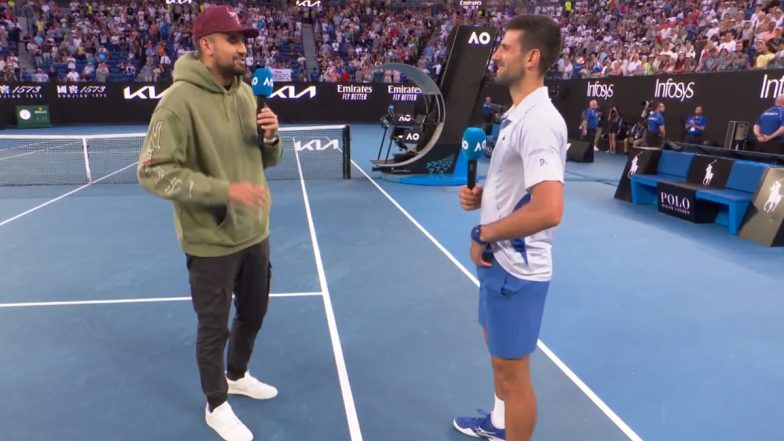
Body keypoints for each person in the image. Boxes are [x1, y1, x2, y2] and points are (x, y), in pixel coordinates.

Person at [137, 6, 283, 441]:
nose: (243, 48)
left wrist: (272, 137)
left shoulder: (244, 93)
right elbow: (152, 171)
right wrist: (223, 191)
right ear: (207, 46)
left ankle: (237, 375)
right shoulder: (178, 102)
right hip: (210, 242)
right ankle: (216, 403)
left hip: (255, 231)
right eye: (234, 40)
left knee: (253, 314)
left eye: (244, 40)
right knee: (214, 327)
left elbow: (264, 158)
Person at [454, 14, 567, 441]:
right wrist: (487, 199)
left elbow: (549, 209)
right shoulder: (518, 114)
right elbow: (523, 191)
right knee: (501, 364)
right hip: (498, 261)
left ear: (532, 57)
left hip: (517, 271)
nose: (496, 54)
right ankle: (499, 425)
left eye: (504, 47)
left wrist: (484, 233)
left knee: (514, 377)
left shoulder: (539, 121)